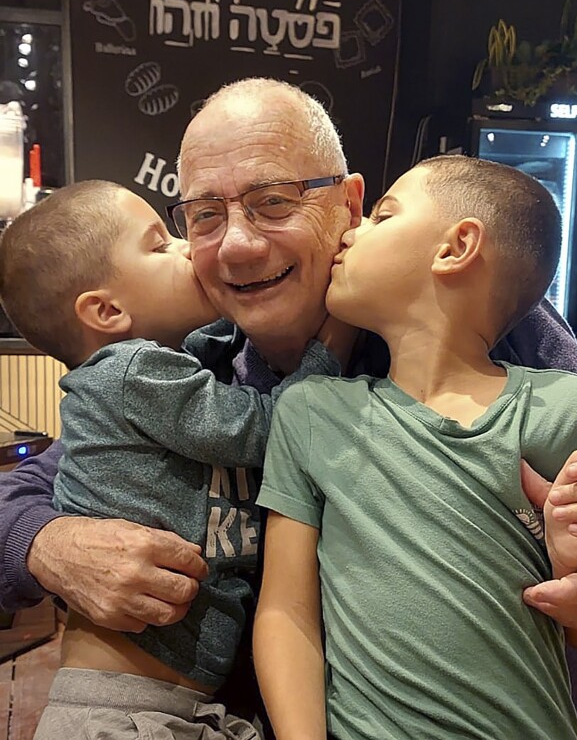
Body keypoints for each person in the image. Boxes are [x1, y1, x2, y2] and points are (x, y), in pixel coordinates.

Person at [0, 79, 577, 735]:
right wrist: (46, 542)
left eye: (271, 203)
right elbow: (28, 489)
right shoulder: (192, 362)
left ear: (350, 204)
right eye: (203, 216)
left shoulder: (483, 310)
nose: (236, 245)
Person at [254, 155, 577, 740]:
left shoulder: (570, 409)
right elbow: (285, 612)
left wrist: (576, 566)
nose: (351, 231)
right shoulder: (309, 413)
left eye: (382, 216)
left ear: (457, 246)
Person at [0, 179, 347, 739]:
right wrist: (332, 348)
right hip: (127, 710)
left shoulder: (156, 367)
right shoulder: (135, 370)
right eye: (163, 243)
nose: (192, 248)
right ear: (107, 310)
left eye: (273, 202)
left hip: (182, 703)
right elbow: (266, 428)